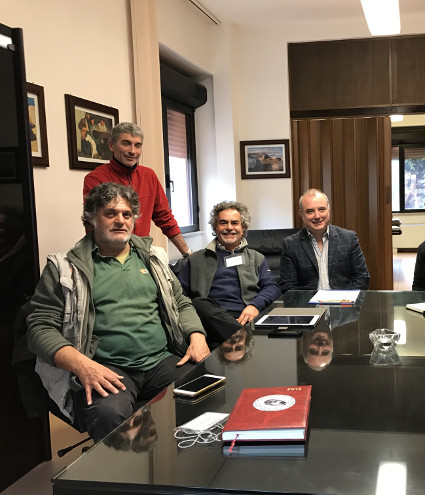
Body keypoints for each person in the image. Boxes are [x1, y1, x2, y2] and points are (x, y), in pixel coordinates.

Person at [26, 182, 209, 442]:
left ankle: (187, 466)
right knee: (112, 419)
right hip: (108, 368)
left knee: (208, 390)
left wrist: (197, 336)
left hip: (161, 361)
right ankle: (124, 479)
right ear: (91, 218)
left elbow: (180, 302)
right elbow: (39, 328)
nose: (120, 221)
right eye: (110, 213)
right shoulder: (64, 268)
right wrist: (83, 365)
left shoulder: (153, 258)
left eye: (126, 214)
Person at [83, 122, 193, 257]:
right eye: (126, 143)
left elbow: (165, 217)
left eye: (137, 145)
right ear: (111, 145)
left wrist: (187, 253)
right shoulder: (95, 178)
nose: (132, 151)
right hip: (109, 256)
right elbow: (93, 224)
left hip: (142, 254)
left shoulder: (149, 176)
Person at [177, 201, 281, 341]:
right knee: (199, 302)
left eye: (235, 223)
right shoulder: (195, 259)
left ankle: (235, 336)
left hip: (245, 316)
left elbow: (272, 287)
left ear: (243, 227)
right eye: (223, 223)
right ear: (215, 227)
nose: (229, 228)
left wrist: (254, 306)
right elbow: (179, 295)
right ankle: (241, 336)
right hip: (209, 320)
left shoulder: (256, 258)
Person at [280, 188, 370, 292]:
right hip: (308, 305)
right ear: (301, 214)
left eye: (321, 209)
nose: (317, 216)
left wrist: (344, 301)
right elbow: (288, 287)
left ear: (328, 209)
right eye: (310, 211)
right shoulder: (290, 244)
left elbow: (362, 278)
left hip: (343, 303)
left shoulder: (349, 239)